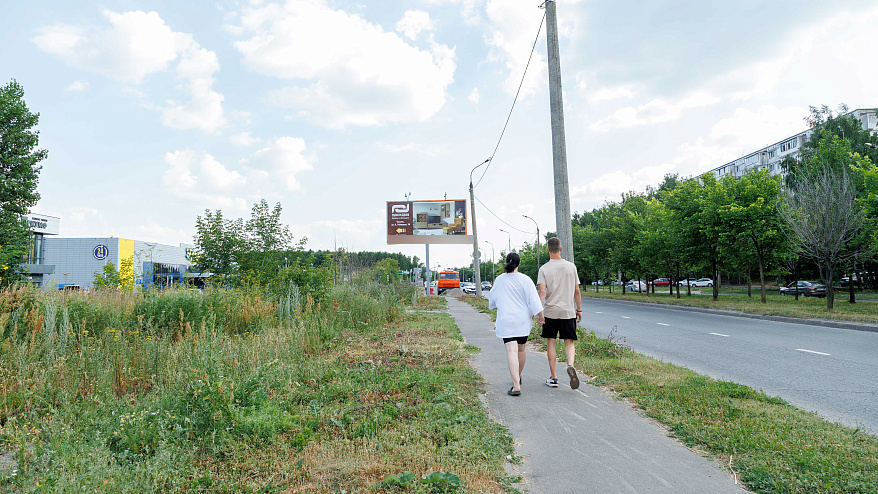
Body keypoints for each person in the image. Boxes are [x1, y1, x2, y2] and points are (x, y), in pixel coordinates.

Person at [488, 252, 545, 396]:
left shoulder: (500, 280)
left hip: (507, 321)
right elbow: (535, 301)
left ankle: (516, 385)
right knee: (521, 350)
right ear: (518, 264)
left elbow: (492, 301)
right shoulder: (526, 280)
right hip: (522, 321)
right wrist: (541, 316)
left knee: (511, 351)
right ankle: (518, 376)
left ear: (506, 262)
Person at [537, 237, 582, 390]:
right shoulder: (571, 267)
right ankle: (570, 365)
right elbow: (577, 291)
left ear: (548, 249)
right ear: (561, 249)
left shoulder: (544, 269)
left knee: (551, 342)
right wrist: (579, 309)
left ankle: (554, 378)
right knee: (569, 342)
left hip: (550, 311)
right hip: (568, 311)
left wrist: (539, 312)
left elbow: (542, 292)